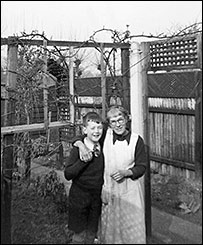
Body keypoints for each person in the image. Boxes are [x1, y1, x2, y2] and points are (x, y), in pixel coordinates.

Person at [73, 105, 147, 244]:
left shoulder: (137, 140)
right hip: (109, 189)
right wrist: (81, 146)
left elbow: (142, 166)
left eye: (120, 120)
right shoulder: (105, 135)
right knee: (110, 229)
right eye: (113, 121)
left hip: (129, 192)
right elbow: (81, 136)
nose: (117, 124)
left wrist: (127, 172)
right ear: (109, 124)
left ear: (126, 119)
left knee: (130, 228)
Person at [64, 111, 104, 244]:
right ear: (85, 130)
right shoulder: (78, 150)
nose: (97, 131)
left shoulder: (102, 143)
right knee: (79, 236)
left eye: (99, 128)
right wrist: (83, 159)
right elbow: (68, 174)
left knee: (92, 233)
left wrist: (78, 142)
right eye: (93, 128)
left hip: (96, 198)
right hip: (79, 198)